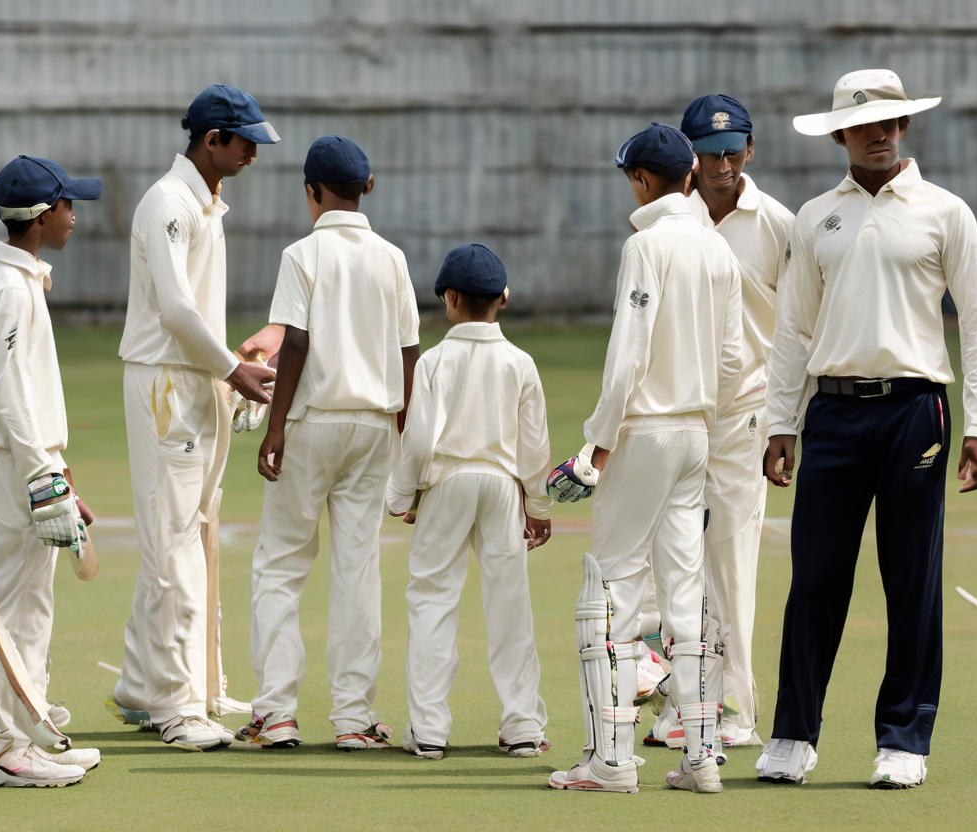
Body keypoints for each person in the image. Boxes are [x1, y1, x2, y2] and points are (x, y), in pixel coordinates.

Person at [757, 69, 977, 789]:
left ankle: (904, 739)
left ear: (905, 127)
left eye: (892, 123)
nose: (880, 134)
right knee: (815, 579)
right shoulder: (814, 218)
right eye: (865, 125)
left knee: (911, 578)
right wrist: (782, 421)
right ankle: (793, 735)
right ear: (839, 133)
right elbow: (793, 330)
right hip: (832, 413)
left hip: (915, 412)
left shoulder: (944, 212)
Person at [547, 123, 743, 794]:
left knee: (614, 593)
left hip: (647, 434)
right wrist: (702, 420)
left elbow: (629, 355)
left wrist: (594, 450)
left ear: (638, 179)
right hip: (696, 433)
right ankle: (700, 758)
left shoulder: (646, 245)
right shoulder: (716, 248)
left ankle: (611, 761)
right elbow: (732, 357)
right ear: (690, 173)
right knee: (685, 595)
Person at [110, 84, 277, 751]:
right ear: (213, 140)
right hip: (166, 385)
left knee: (193, 531)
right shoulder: (168, 203)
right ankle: (175, 707)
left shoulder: (206, 204)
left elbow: (195, 315)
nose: (253, 155)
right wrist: (231, 371)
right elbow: (175, 310)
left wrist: (226, 372)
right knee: (172, 540)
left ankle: (158, 685)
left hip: (198, 377)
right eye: (245, 143)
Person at [240, 135, 421, 750]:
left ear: (311, 191)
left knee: (282, 565)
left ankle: (278, 712)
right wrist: (409, 441)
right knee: (357, 568)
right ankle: (352, 719)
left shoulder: (302, 253)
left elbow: (294, 342)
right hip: (375, 426)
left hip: (312, 423)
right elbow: (408, 354)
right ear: (368, 187)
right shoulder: (391, 257)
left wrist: (274, 425)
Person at [385, 243, 553, 761]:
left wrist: (403, 494)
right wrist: (538, 505)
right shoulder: (520, 362)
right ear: (503, 298)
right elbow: (535, 443)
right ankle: (522, 725)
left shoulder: (434, 362)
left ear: (450, 298)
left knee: (433, 601)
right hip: (503, 486)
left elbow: (417, 438)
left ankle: (430, 730)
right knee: (510, 605)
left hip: (448, 482)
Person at [0, 155, 104, 786]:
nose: (75, 216)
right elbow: (9, 395)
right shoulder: (8, 290)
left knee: (35, 604)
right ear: (42, 215)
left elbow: (32, 396)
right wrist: (41, 478)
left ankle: (28, 731)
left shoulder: (22, 283)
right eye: (68, 205)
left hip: (31, 462)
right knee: (15, 605)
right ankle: (0, 746)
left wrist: (61, 476)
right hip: (13, 465)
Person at [673, 94, 795, 748]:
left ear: (751, 149)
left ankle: (736, 711)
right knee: (674, 563)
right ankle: (680, 705)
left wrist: (788, 420)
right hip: (677, 415)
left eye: (731, 151)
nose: (721, 165)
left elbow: (799, 327)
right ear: (689, 155)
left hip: (747, 415)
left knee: (731, 564)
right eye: (708, 153)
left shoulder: (777, 223)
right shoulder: (669, 221)